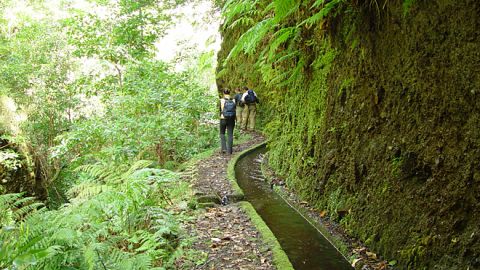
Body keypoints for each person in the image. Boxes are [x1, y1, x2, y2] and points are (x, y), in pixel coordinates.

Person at [219, 88, 236, 154]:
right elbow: (235, 109)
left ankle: (224, 149)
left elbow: (220, 109)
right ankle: (230, 151)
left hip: (223, 118)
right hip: (231, 119)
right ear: (229, 93)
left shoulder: (221, 100)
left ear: (223, 93)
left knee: (222, 133)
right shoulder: (233, 100)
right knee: (230, 134)